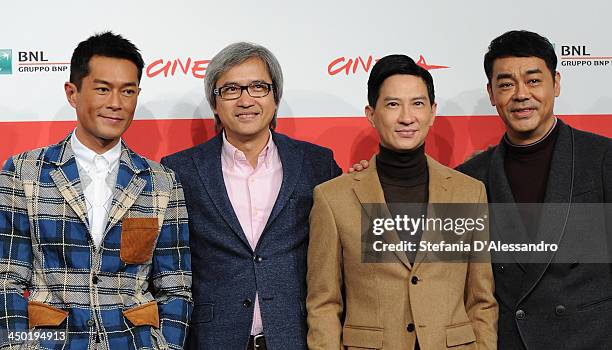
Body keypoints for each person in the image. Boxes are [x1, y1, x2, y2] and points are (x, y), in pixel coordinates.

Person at [0, 32, 192, 349]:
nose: (115, 103)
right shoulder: (23, 172)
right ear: (72, 93)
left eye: (127, 91)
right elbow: (6, 280)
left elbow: (176, 287)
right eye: (103, 89)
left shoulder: (162, 181)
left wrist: (165, 346)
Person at [306, 54, 497, 350]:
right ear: (371, 113)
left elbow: (481, 299)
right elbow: (324, 303)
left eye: (418, 104)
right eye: (393, 104)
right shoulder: (334, 198)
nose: (407, 117)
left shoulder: (468, 192)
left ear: (433, 112)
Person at [161, 42, 342, 350]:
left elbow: (341, 243)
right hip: (212, 340)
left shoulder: (316, 164)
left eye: (258, 87)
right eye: (231, 89)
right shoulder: (180, 170)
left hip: (295, 337)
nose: (245, 100)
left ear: (275, 98)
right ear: (215, 103)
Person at [456, 30, 612, 349]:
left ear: (555, 83)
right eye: (506, 84)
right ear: (491, 93)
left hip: (589, 339)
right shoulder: (470, 178)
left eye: (533, 80)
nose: (521, 94)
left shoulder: (602, 158)